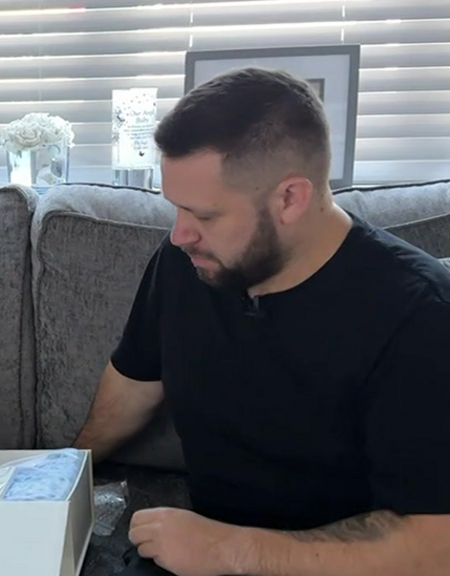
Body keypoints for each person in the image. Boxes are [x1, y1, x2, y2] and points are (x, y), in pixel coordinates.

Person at [74, 67, 450, 576]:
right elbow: (135, 384)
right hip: (200, 553)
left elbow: (437, 544)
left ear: (290, 198)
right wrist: (56, 476)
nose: (180, 234)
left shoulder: (419, 313)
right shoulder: (185, 263)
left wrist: (232, 551)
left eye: (205, 215)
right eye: (176, 208)